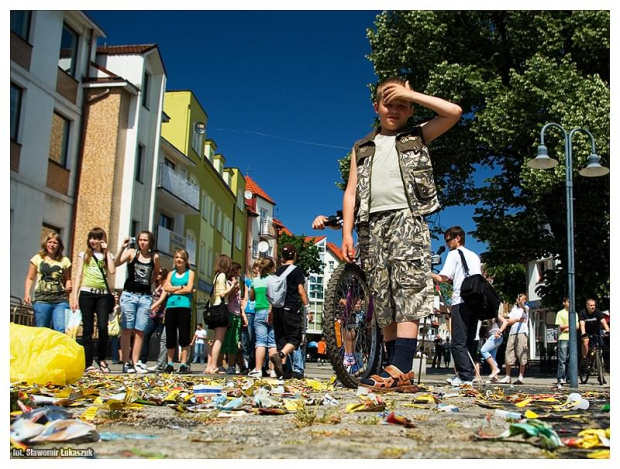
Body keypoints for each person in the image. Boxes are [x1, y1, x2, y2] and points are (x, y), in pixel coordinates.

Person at [342, 76, 462, 391]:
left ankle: (402, 365)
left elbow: (453, 112)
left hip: (407, 219)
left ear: (410, 110)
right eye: (388, 103)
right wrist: (347, 232)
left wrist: (413, 93)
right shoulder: (362, 147)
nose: (394, 109)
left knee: (408, 289)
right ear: (376, 107)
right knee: (383, 296)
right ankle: (393, 367)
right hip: (370, 225)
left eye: (402, 105)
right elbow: (351, 192)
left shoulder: (416, 135)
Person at [432, 226, 482, 386]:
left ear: (458, 238)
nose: (446, 244)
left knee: (457, 342)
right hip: (475, 302)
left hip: (460, 301)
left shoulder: (454, 254)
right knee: (469, 341)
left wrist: (427, 273)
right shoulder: (474, 256)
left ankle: (465, 377)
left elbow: (443, 278)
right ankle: (468, 375)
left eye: (448, 240)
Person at [71, 227, 116, 373]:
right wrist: (74, 296)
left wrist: (107, 251)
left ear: (102, 240)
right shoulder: (84, 255)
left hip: (102, 295)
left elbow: (112, 271)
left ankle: (101, 358)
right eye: (91, 237)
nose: (93, 241)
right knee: (87, 330)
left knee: (103, 328)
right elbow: (78, 275)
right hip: (86, 293)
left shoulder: (107, 255)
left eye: (96, 238)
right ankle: (87, 363)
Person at [114, 231, 160, 374]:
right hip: (129, 295)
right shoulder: (132, 253)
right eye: (140, 239)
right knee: (127, 328)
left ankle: (136, 362)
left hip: (145, 297)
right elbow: (116, 263)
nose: (142, 242)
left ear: (150, 242)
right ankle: (126, 362)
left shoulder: (154, 257)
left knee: (140, 330)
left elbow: (155, 274)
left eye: (145, 240)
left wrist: (148, 286)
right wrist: (122, 247)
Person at [268, 245, 311, 379]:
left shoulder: (277, 271)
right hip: (291, 309)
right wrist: (308, 308)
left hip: (277, 309)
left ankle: (284, 371)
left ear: (282, 257)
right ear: (295, 256)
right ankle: (279, 356)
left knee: (282, 340)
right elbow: (300, 290)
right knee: (294, 339)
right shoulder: (297, 271)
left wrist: (270, 312)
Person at [24, 232, 72, 332]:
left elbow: (67, 279)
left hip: (60, 299)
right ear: (46, 244)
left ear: (59, 245)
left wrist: (69, 286)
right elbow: (30, 278)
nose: (52, 245)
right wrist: (27, 294)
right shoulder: (37, 258)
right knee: (42, 329)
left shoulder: (64, 260)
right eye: (50, 242)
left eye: (55, 243)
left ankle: (58, 347)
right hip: (42, 299)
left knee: (61, 328)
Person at [163, 249, 195, 374]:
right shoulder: (171, 273)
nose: (178, 260)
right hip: (171, 306)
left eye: (181, 257)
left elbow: (189, 288)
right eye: (176, 257)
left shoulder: (190, 273)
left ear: (185, 260)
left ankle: (183, 364)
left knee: (184, 335)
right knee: (170, 335)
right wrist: (181, 287)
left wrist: (174, 290)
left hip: (184, 306)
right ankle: (169, 363)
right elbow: (166, 287)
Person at [204, 254, 237, 374]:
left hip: (213, 308)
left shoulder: (216, 276)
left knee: (213, 340)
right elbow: (223, 294)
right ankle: (214, 366)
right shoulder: (222, 275)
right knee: (218, 339)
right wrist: (232, 286)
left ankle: (208, 366)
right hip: (221, 309)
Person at [248, 257, 278, 378]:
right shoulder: (274, 280)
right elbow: (275, 296)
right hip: (272, 312)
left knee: (260, 342)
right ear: (271, 268)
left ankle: (258, 369)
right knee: (273, 343)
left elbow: (251, 298)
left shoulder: (255, 281)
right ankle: (274, 370)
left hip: (259, 312)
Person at [498, 293, 530, 384]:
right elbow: (509, 321)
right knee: (509, 352)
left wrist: (521, 304)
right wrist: (516, 319)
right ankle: (508, 376)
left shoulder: (526, 307)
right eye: (519, 298)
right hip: (513, 332)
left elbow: (523, 316)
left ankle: (521, 376)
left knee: (521, 352)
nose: (520, 300)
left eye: (523, 299)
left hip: (522, 332)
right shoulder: (514, 309)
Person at [142, 267, 168, 369]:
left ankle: (161, 363)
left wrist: (150, 308)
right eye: (157, 273)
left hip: (162, 316)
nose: (158, 275)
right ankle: (143, 360)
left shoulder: (165, 285)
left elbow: (161, 300)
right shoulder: (155, 285)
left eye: (160, 273)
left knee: (162, 339)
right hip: (153, 315)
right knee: (146, 335)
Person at [222, 262, 245, 374]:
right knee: (226, 340)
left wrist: (242, 314)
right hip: (230, 313)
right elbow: (228, 298)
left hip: (237, 314)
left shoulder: (237, 283)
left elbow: (239, 301)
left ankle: (231, 366)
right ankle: (220, 364)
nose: (240, 273)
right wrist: (233, 288)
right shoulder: (228, 282)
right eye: (238, 271)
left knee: (234, 342)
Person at [240, 261, 260, 374]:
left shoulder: (263, 281)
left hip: (259, 311)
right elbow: (246, 298)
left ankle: (254, 364)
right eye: (255, 268)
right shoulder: (249, 282)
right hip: (249, 312)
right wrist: (243, 312)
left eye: (259, 268)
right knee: (247, 340)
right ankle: (246, 364)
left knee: (256, 341)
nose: (257, 270)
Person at [480, 315, 508, 383]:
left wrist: (499, 332)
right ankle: (495, 378)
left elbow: (505, 322)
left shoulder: (496, 313)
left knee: (483, 351)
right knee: (492, 357)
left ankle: (495, 369)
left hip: (496, 336)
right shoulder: (488, 314)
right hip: (491, 336)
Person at [555, 297, 573, 385]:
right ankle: (561, 377)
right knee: (562, 359)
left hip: (572, 338)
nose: (569, 303)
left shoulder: (574, 313)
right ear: (564, 303)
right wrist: (571, 325)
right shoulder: (560, 313)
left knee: (571, 359)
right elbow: (561, 326)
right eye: (568, 302)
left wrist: (568, 327)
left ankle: (569, 377)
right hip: (563, 338)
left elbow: (577, 326)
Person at [108, 292, 122, 364]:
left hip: (116, 327)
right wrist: (114, 309)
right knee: (113, 342)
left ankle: (116, 358)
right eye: (115, 297)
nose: (116, 298)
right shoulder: (111, 305)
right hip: (111, 326)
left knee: (116, 343)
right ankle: (114, 358)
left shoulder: (118, 306)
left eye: (117, 297)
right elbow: (110, 316)